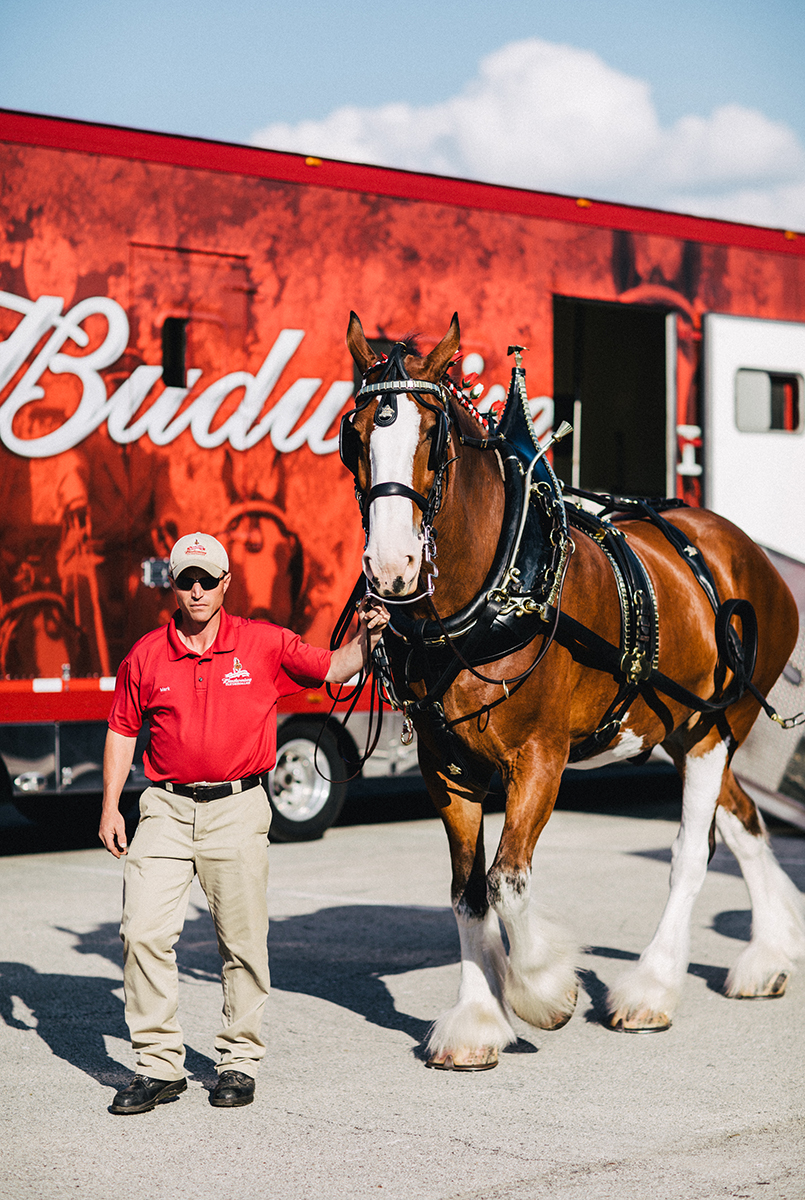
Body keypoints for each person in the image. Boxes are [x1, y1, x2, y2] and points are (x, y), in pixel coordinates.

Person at [99, 531, 388, 1114]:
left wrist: (366, 635)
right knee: (143, 933)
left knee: (243, 943)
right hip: (165, 810)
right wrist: (110, 805)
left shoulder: (263, 644)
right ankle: (159, 1067)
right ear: (173, 586)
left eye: (209, 579)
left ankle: (237, 1061)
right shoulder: (147, 654)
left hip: (238, 807)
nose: (198, 589)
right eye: (187, 579)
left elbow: (334, 667)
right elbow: (122, 729)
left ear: (226, 583)